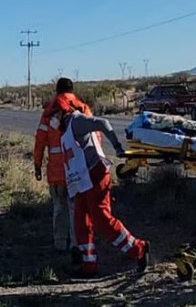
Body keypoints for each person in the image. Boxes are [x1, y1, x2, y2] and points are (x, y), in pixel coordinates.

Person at [52, 97, 150, 277]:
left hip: (95, 176)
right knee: (80, 224)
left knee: (102, 221)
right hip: (82, 181)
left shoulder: (77, 120)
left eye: (54, 114)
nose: (52, 119)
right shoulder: (65, 129)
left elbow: (103, 123)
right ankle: (89, 266)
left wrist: (117, 146)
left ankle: (139, 249)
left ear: (62, 112)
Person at [33, 78, 93, 250]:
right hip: (79, 171)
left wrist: (37, 164)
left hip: (57, 172)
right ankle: (77, 245)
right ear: (72, 91)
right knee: (77, 209)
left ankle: (60, 244)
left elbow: (39, 142)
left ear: (57, 91)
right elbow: (95, 137)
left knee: (59, 208)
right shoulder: (83, 109)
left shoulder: (48, 113)